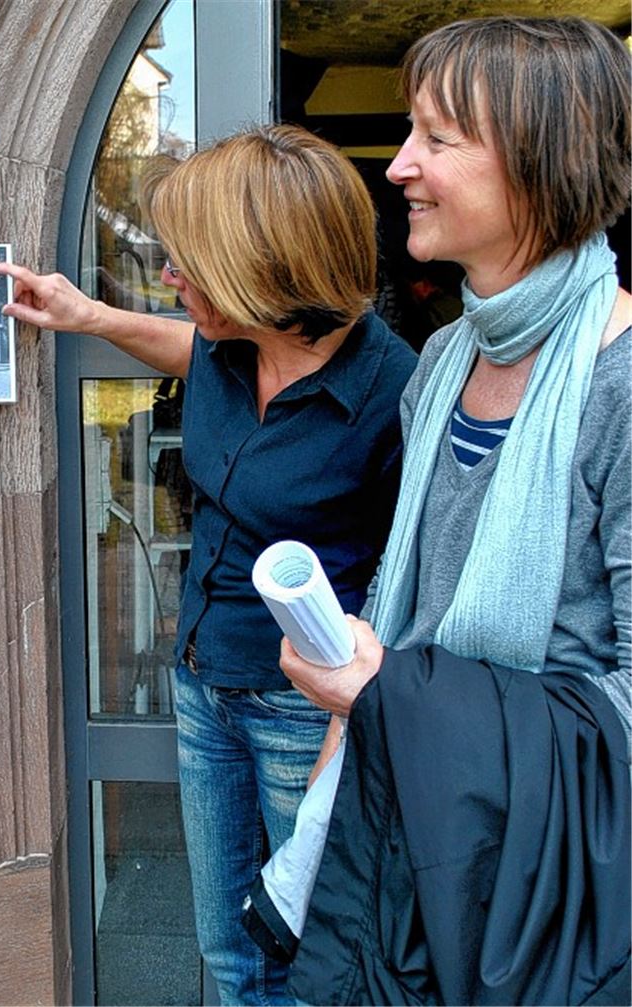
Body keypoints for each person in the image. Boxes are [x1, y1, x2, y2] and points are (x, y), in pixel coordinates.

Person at [0, 124, 417, 1004]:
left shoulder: (396, 395)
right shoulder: (229, 350)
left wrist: (353, 716)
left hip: (308, 712)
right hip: (203, 684)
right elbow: (178, 343)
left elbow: (413, 580)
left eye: (192, 264)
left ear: (270, 273)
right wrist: (84, 314)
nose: (172, 277)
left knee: (317, 954)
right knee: (229, 952)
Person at [276, 16, 631, 1005]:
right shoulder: (441, 365)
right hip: (410, 836)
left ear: (539, 163)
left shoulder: (622, 385)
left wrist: (393, 692)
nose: (398, 167)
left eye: (437, 138)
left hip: (537, 885)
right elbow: (414, 609)